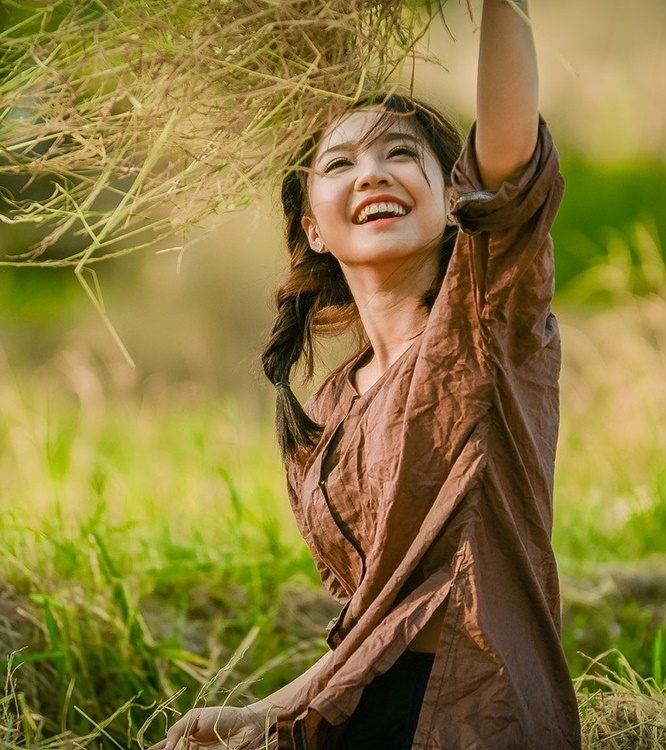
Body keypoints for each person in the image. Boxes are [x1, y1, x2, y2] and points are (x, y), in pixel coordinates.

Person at [151, 0, 581, 748]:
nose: (372, 174)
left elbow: (510, 158)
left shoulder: (486, 322)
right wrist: (263, 714)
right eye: (341, 163)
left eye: (401, 155)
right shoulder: (322, 412)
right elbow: (371, 631)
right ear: (313, 227)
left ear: (453, 201)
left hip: (473, 716)